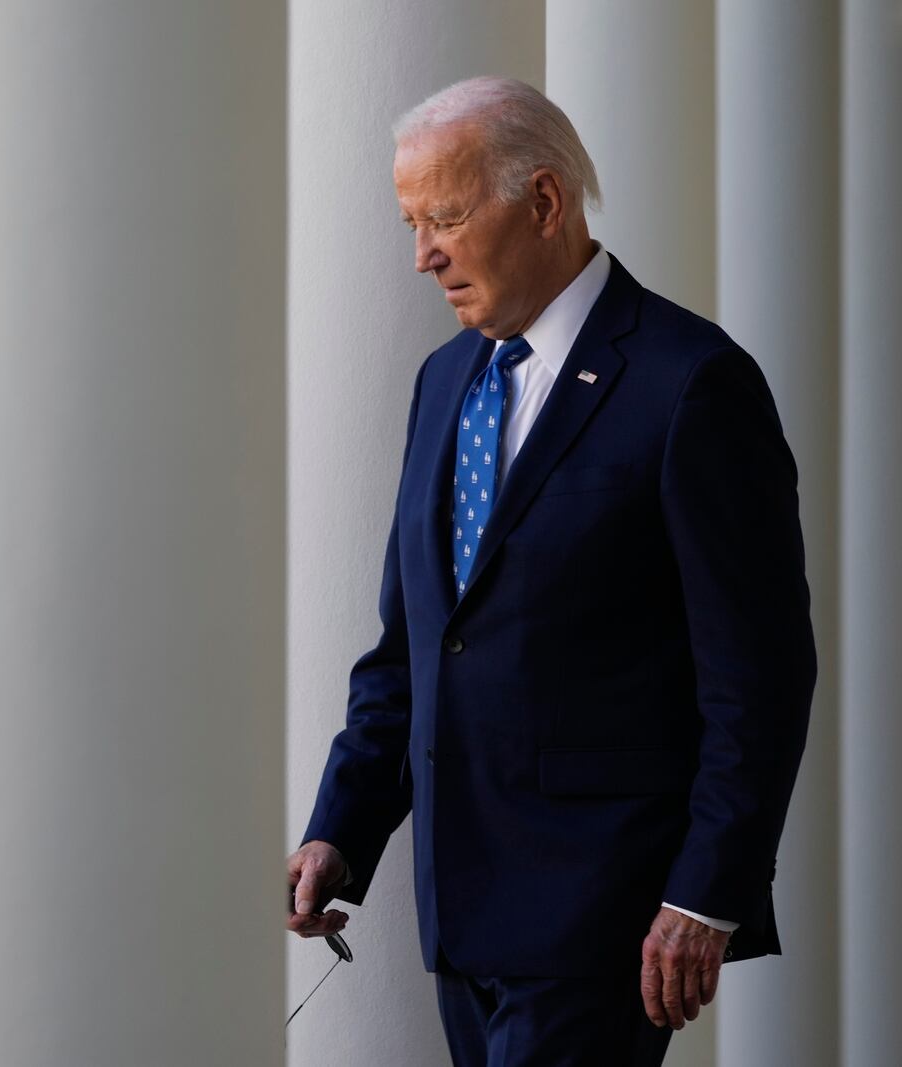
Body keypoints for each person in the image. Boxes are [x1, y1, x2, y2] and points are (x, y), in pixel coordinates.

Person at [285, 76, 816, 1066]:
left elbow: (761, 675)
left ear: (541, 202)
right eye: (411, 222)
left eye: (443, 217)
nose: (421, 254)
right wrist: (341, 829)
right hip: (462, 916)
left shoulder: (690, 383)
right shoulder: (444, 381)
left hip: (604, 917)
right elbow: (414, 645)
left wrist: (706, 891)